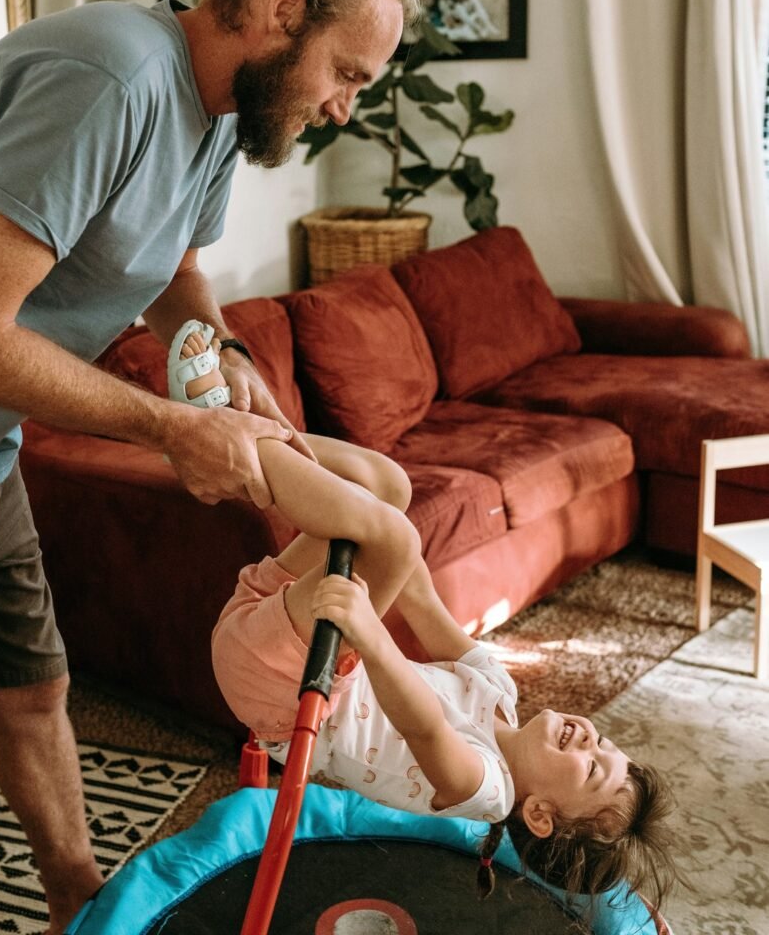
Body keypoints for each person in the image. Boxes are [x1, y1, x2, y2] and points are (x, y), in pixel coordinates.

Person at [0, 0, 421, 933]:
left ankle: (84, 905)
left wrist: (224, 353)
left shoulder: (216, 115)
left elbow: (177, 271)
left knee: (31, 689)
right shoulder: (109, 78)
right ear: (284, 9)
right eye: (348, 73)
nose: (340, 107)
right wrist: (168, 428)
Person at [172, 329, 679, 914]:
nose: (591, 738)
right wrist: (379, 529)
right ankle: (237, 430)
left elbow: (426, 729)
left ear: (538, 814)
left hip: (282, 686)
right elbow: (422, 600)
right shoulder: (499, 692)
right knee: (391, 487)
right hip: (286, 615)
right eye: (607, 744)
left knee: (392, 533)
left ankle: (217, 435)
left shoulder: (486, 788)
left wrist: (369, 623)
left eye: (591, 769)